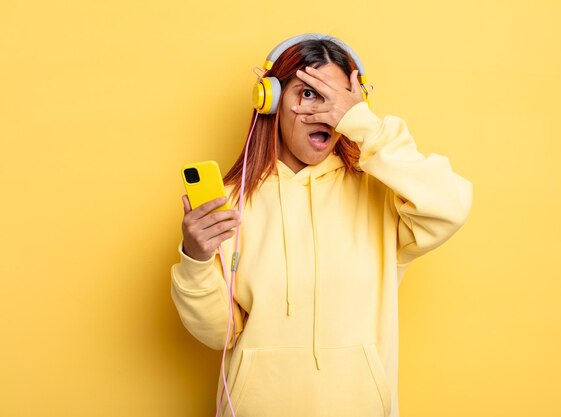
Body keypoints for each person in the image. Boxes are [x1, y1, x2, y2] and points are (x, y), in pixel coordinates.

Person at [171, 33, 472, 417]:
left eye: (337, 97)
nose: (323, 113)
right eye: (309, 93)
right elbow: (218, 333)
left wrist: (363, 124)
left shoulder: (382, 192)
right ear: (271, 101)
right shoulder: (231, 200)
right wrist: (195, 260)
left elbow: (451, 204)